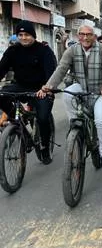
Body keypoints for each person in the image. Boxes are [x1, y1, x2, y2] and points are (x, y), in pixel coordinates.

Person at [37, 24, 102, 167]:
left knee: (100, 120)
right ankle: (74, 122)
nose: (85, 37)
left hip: (99, 90)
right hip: (80, 87)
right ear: (78, 36)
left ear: (94, 36)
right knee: (67, 94)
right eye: (82, 34)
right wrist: (49, 86)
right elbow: (61, 69)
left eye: (88, 34)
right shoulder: (72, 50)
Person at [0, 21, 57, 163]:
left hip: (42, 89)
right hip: (20, 86)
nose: (24, 38)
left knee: (43, 118)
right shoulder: (13, 50)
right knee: (1, 95)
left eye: (27, 34)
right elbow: (2, 69)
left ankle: (44, 147)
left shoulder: (44, 50)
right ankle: (17, 120)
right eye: (20, 35)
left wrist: (47, 88)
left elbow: (52, 73)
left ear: (33, 35)